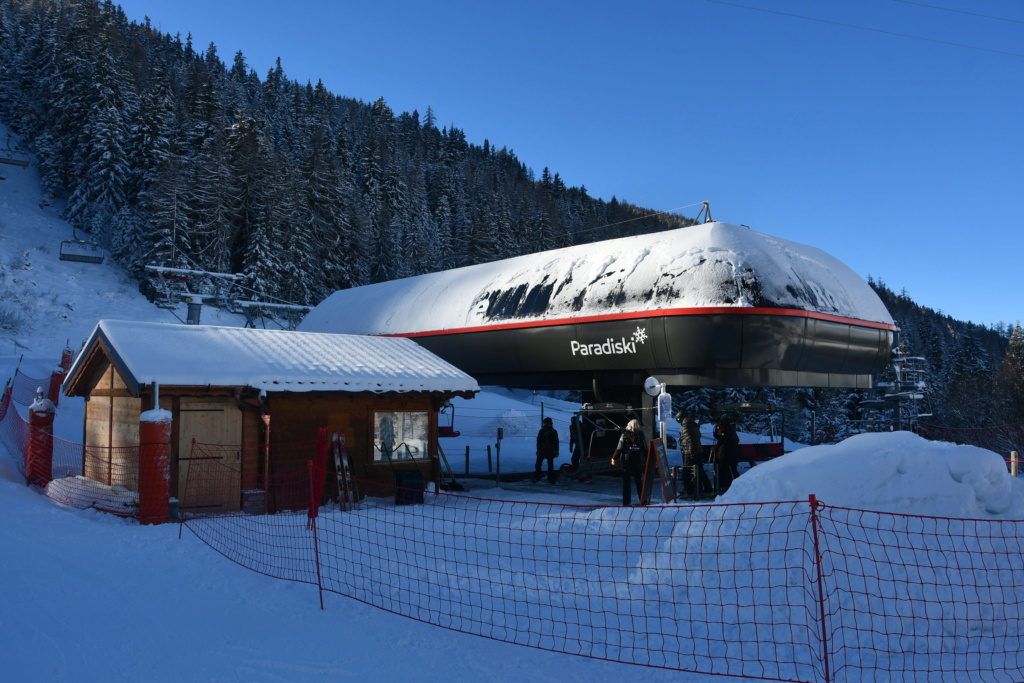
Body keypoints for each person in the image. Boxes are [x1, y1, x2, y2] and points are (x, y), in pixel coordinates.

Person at [676, 410, 712, 498]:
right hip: (697, 451)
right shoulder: (693, 424)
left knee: (687, 472)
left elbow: (690, 440)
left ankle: (689, 491)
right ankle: (707, 489)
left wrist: (690, 452)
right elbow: (697, 437)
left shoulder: (686, 426)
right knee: (699, 470)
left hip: (689, 451)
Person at [612, 419, 647, 506]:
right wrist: (648, 459)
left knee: (627, 482)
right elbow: (644, 449)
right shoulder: (641, 435)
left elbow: (619, 448)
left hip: (627, 460)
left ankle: (626, 502)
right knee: (639, 481)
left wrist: (614, 458)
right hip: (638, 460)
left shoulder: (624, 435)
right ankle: (643, 501)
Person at [712, 416, 741, 493]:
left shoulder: (725, 429)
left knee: (725, 469)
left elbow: (723, 440)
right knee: (733, 469)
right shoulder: (731, 429)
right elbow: (737, 439)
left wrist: (717, 435)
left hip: (725, 452)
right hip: (733, 452)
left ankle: (726, 484)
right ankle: (738, 484)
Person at [534, 416, 559, 483]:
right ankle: (550, 478)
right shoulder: (552, 431)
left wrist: (557, 450)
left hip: (545, 449)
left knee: (540, 464)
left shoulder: (543, 431)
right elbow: (556, 442)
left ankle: (539, 476)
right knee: (548, 464)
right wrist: (557, 450)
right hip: (547, 449)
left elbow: (556, 442)